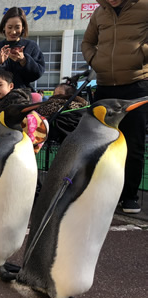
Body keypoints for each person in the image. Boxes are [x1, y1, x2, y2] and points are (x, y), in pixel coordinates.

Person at [82, 0, 148, 214]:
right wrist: (96, 61)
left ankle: (129, 196)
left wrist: (141, 54)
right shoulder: (100, 13)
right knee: (101, 143)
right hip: (104, 86)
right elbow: (87, 42)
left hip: (137, 84)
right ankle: (104, 192)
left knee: (133, 144)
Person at [0, 7, 45, 95]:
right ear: (4, 27)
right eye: (9, 27)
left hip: (23, 98)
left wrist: (24, 61)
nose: (13, 32)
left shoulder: (31, 46)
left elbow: (38, 73)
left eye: (17, 27)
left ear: (23, 28)